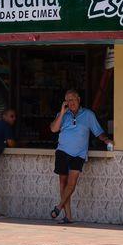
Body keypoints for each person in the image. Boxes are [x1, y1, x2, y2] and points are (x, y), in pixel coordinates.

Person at [49, 89, 113, 224]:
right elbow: (54, 129)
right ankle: (68, 216)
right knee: (63, 183)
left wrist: (106, 140)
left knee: (71, 183)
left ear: (79, 99)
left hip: (78, 154)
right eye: (67, 100)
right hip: (62, 151)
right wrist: (62, 112)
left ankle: (59, 207)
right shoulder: (63, 115)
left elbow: (98, 132)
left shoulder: (88, 115)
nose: (70, 102)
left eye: (72, 99)